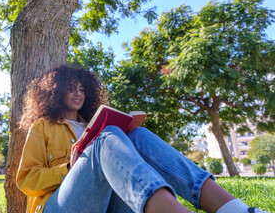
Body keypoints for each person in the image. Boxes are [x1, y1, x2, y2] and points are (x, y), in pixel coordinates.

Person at [16, 65, 268, 213]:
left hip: (104, 204)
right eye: (71, 88)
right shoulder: (43, 126)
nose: (78, 93)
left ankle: (235, 210)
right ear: (55, 92)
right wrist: (70, 167)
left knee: (135, 133)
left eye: (82, 88)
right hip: (58, 206)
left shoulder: (92, 124)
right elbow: (26, 180)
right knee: (107, 136)